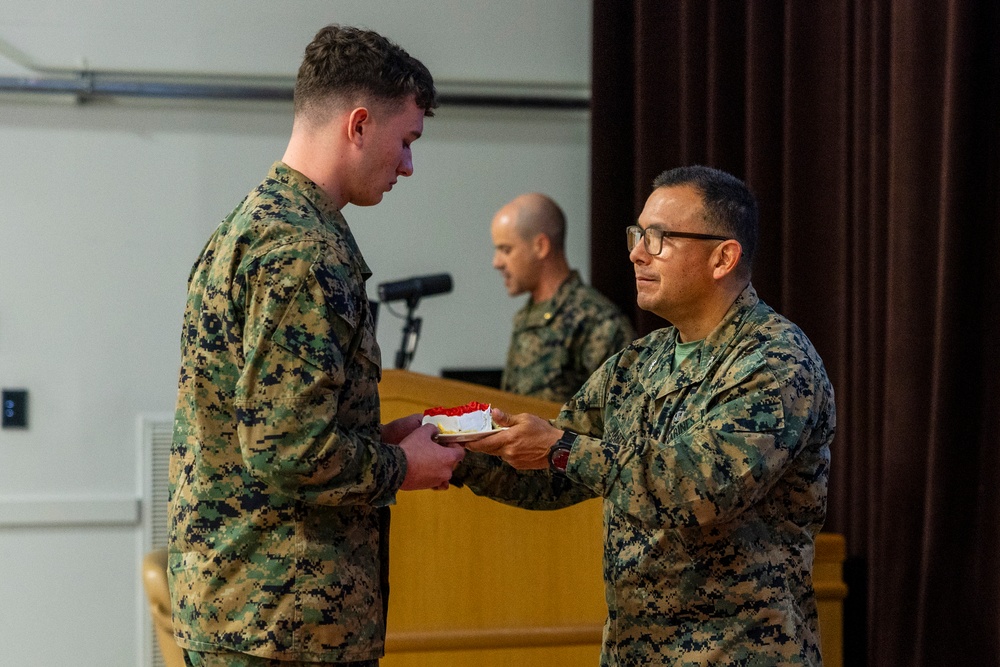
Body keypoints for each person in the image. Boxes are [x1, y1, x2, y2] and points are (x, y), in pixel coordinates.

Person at [167, 25, 464, 667]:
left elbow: (270, 430)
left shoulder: (251, 226)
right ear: (358, 124)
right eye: (406, 142)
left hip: (247, 608)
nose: (408, 166)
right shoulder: (303, 253)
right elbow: (287, 451)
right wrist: (404, 469)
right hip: (283, 622)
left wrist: (380, 441)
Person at [457, 166, 836, 666]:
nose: (637, 252)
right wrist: (449, 456)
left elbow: (702, 488)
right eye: (638, 234)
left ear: (723, 257)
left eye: (659, 238)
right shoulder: (641, 362)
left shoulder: (775, 360)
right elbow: (555, 473)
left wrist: (561, 447)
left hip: (737, 652)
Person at [491, 193, 636, 402]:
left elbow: (622, 415)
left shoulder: (597, 321)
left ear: (540, 246)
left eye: (506, 249)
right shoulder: (526, 316)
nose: (497, 262)